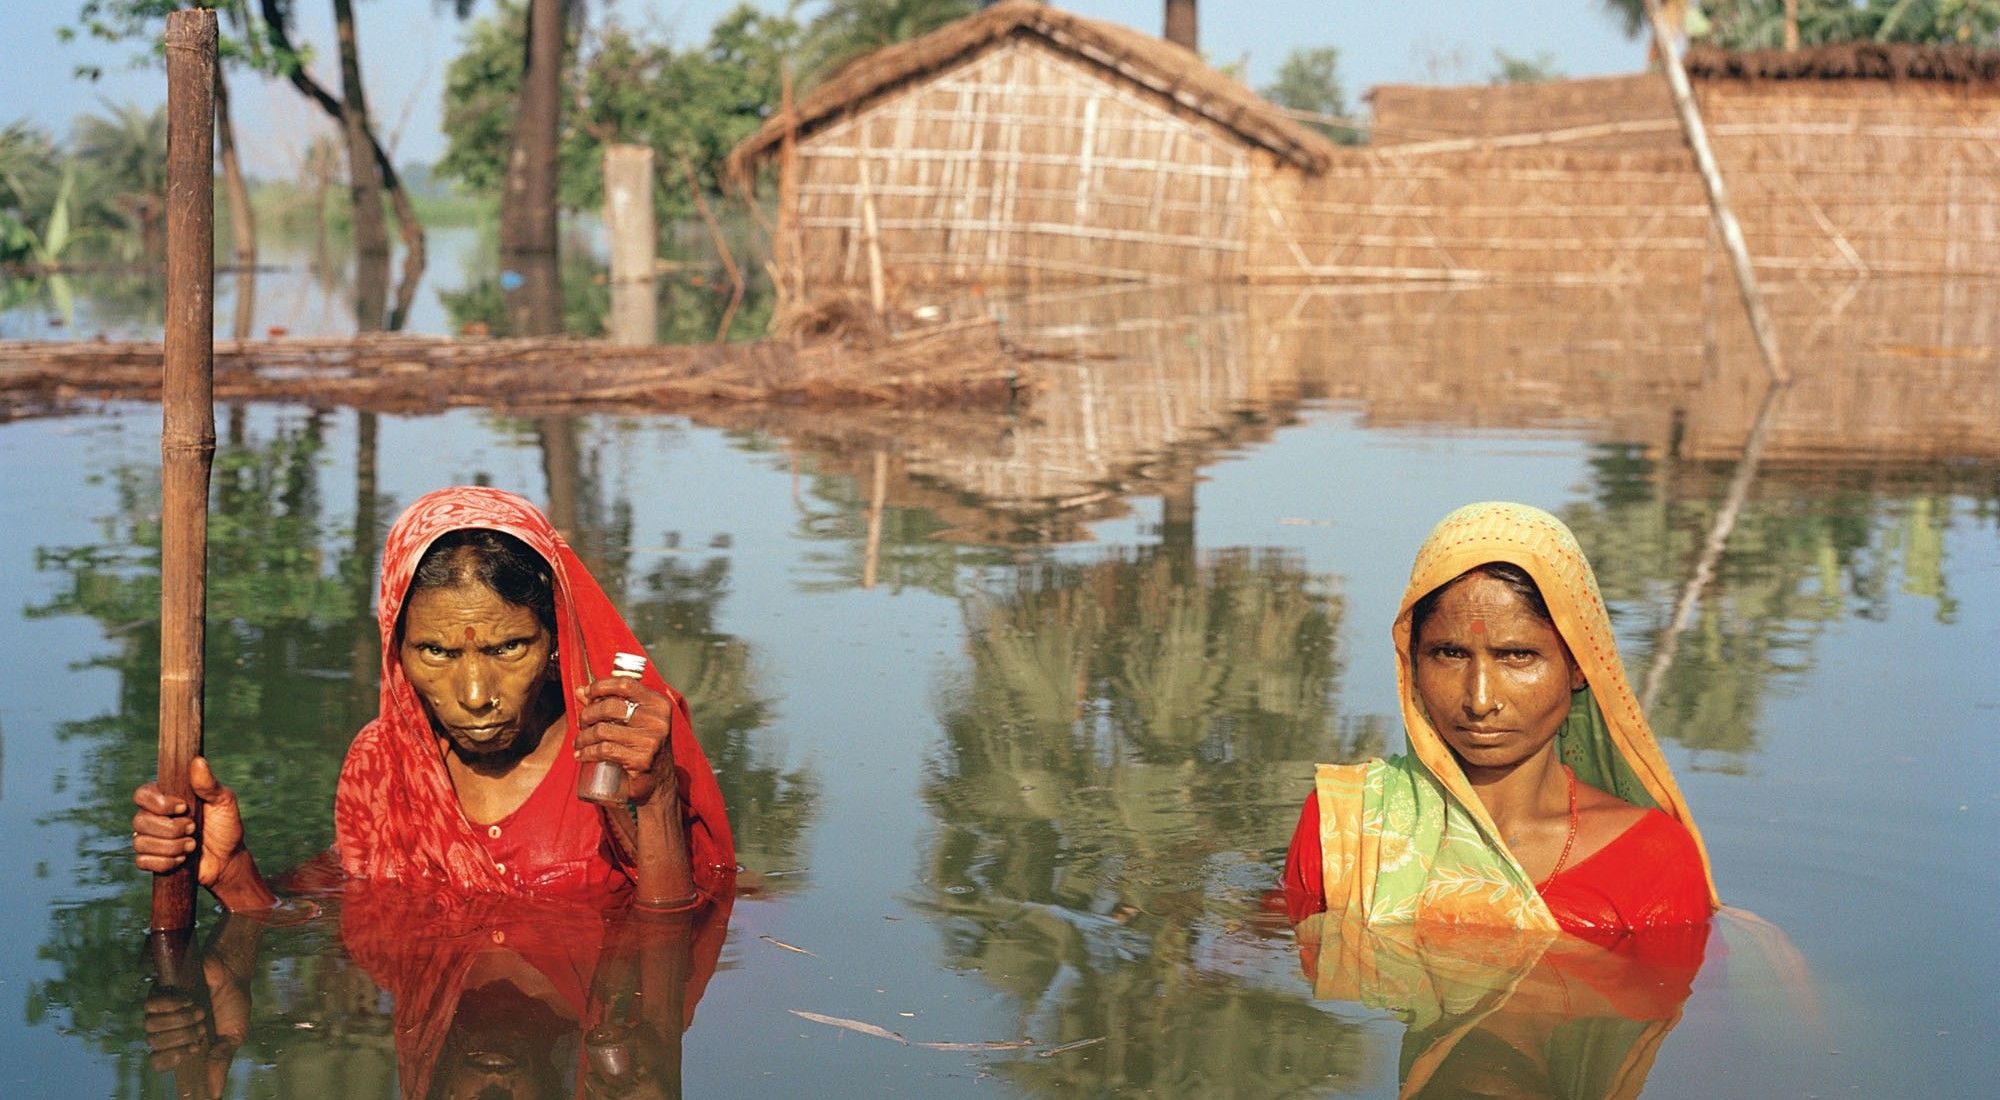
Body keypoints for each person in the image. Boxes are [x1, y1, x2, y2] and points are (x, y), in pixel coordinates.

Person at [132, 485, 734, 912]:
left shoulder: (625, 744)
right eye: (437, 654)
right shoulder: (383, 764)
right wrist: (234, 875)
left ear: (556, 639)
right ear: (395, 651)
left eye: (509, 648)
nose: (475, 696)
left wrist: (654, 801)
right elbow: (346, 913)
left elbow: (674, 945)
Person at [1280, 501, 1715, 940]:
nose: (1480, 700)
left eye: (1517, 656)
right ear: (1412, 662)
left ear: (1580, 665)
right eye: (1450, 654)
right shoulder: (1346, 825)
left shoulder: (1649, 858)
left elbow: (1665, 999)